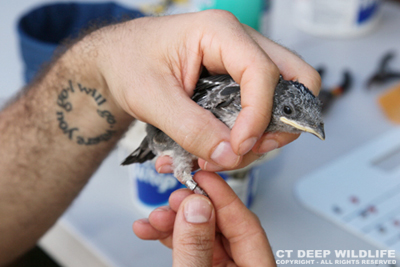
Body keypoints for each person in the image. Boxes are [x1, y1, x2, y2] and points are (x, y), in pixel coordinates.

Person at [0, 10, 320, 265]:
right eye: (292, 113)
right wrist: (106, 69)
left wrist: (103, 68)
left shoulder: (261, 107)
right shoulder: (235, 94)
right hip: (164, 139)